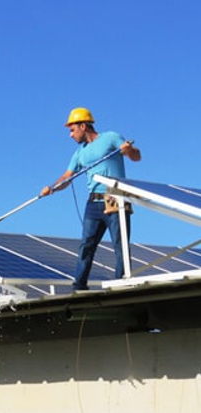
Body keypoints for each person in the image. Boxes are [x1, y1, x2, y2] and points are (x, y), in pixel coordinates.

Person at [40, 107, 141, 290]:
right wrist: (52, 188)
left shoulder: (110, 138)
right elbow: (66, 177)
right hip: (93, 203)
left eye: (72, 130)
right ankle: (79, 286)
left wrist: (128, 150)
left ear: (83, 126)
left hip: (115, 200)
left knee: (120, 245)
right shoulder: (80, 153)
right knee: (86, 245)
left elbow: (136, 157)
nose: (70, 135)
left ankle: (121, 284)